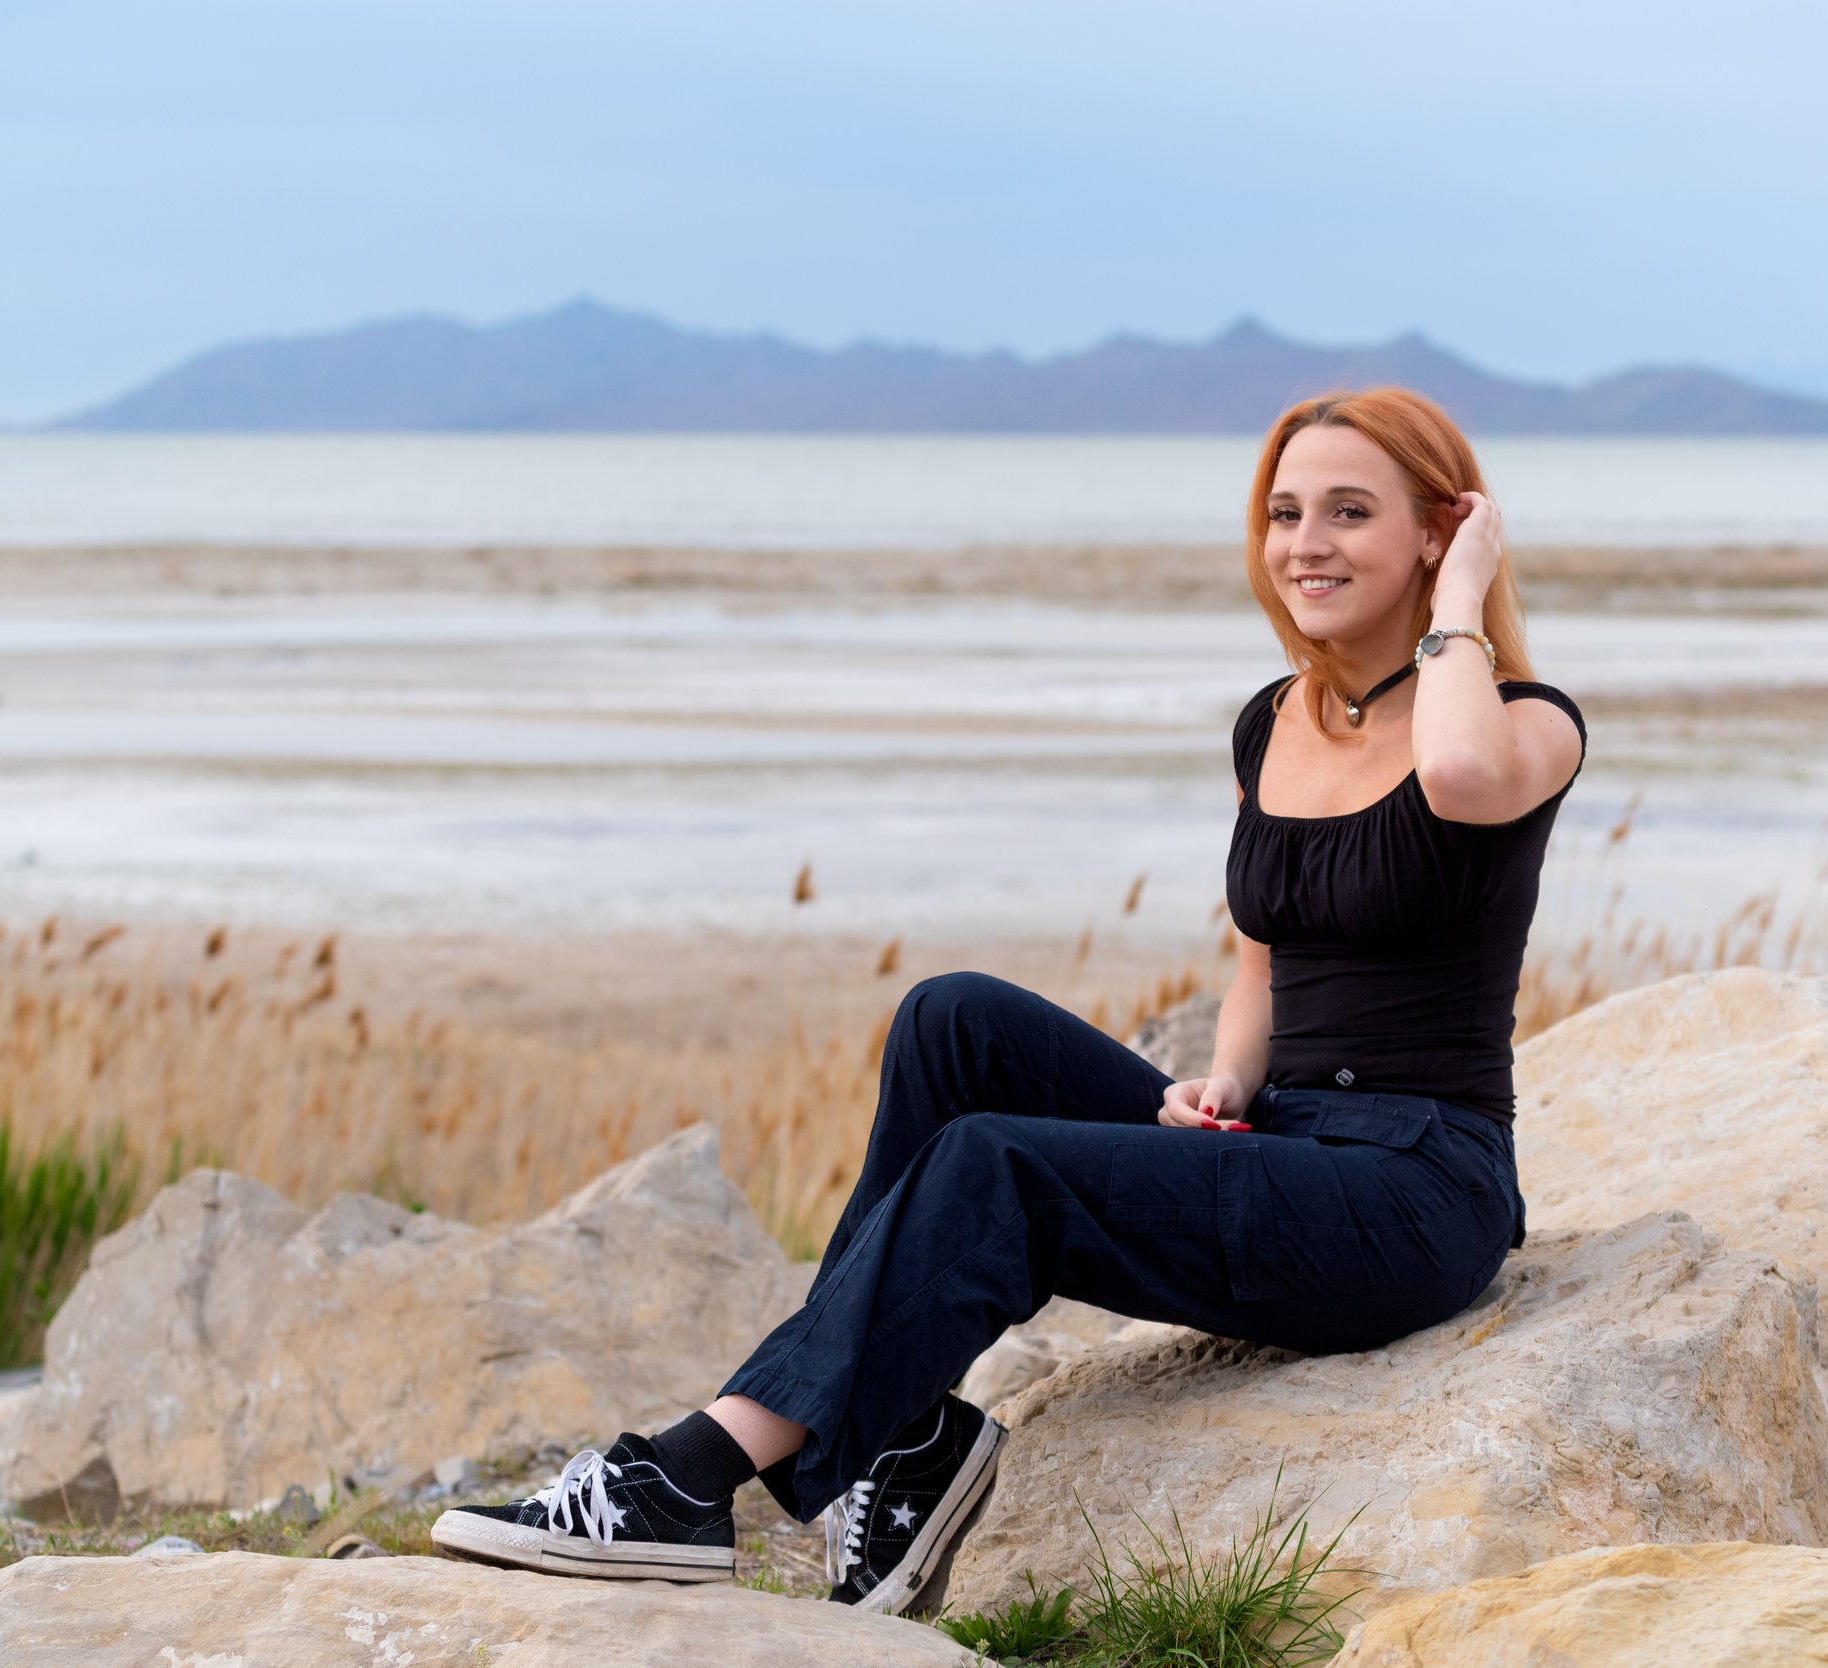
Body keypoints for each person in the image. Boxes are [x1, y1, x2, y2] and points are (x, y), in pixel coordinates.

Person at [431, 387, 1587, 1613]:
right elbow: (1264, 957)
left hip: (1412, 1195)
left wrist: (1461, 601)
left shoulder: (1526, 724)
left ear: (1438, 529)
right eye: (1284, 512)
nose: (1305, 543)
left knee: (998, 1165)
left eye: (1351, 513)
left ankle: (686, 1481)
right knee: (953, 1019)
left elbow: (1455, 775)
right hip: (1287, 1140)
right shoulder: (1274, 723)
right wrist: (1229, 1082)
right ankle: (905, 1442)